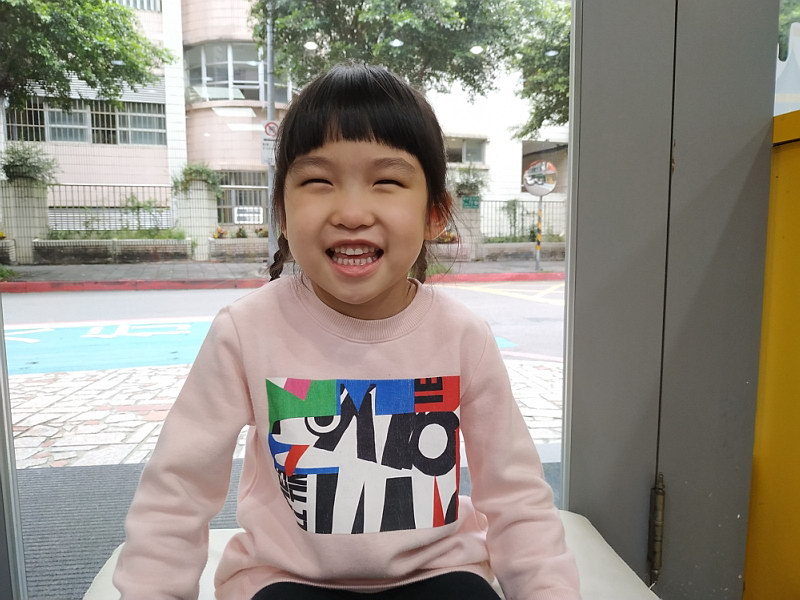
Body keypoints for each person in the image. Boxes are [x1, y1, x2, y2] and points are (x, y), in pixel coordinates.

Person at [113, 62, 581, 600]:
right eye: (318, 181)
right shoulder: (245, 332)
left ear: (435, 214)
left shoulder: (462, 336)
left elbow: (515, 493)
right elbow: (178, 488)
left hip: (438, 574)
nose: (352, 213)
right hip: (288, 579)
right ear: (282, 209)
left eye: (387, 181)